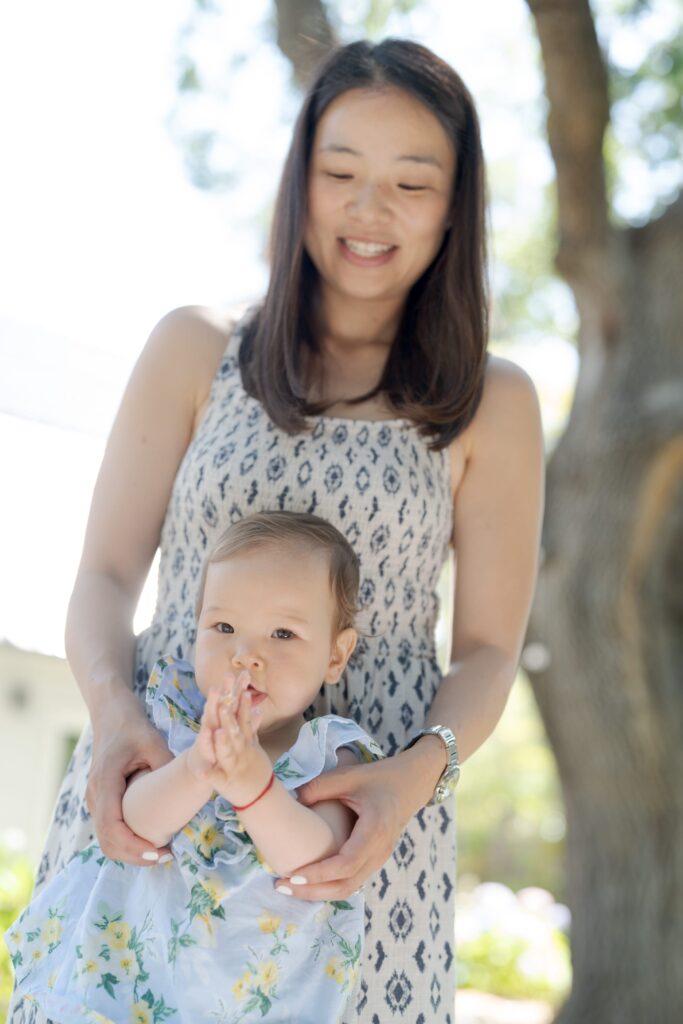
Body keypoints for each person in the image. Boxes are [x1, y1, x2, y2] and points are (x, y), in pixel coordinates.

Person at [10, 37, 544, 1024]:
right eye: (339, 172)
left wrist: (410, 777)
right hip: (158, 792)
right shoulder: (193, 347)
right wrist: (116, 718)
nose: (367, 209)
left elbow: (483, 650)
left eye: (409, 183)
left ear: (454, 207)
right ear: (299, 178)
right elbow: (105, 574)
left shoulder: (491, 402)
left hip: (354, 831)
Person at [7, 511, 385, 1023]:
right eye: (224, 626)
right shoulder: (176, 718)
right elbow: (133, 824)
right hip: (125, 986)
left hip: (244, 1001)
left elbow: (319, 860)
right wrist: (195, 768)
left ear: (336, 656)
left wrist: (254, 787)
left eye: (282, 633)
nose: (245, 655)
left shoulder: (330, 755)